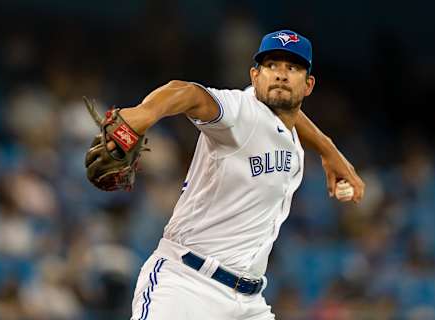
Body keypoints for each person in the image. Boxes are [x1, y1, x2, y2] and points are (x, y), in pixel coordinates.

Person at [114, 29, 364, 319]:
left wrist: (328, 149)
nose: (281, 75)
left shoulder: (293, 141)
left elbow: (289, 118)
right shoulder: (239, 112)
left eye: (292, 68)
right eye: (271, 66)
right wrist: (145, 113)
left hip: (248, 303)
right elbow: (189, 93)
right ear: (254, 76)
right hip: (187, 286)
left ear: (308, 85)